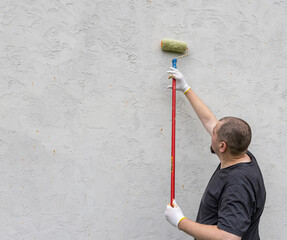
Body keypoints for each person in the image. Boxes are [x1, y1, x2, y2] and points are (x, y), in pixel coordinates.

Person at [164, 67, 266, 240]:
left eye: (213, 134)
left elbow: (229, 237)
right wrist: (186, 89)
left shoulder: (237, 184)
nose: (211, 132)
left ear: (222, 146)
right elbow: (211, 122)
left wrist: (180, 221)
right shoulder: (240, 151)